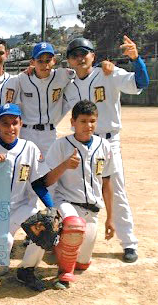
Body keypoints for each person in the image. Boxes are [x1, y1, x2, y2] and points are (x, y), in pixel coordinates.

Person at [65, 36, 148, 263]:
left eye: (84, 53)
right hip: (81, 143)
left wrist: (136, 59)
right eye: (74, 55)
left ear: (94, 55)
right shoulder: (69, 87)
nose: (80, 58)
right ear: (69, 61)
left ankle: (129, 242)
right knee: (76, 192)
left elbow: (141, 83)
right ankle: (72, 239)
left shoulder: (108, 74)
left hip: (108, 142)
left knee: (116, 190)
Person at [0, 103, 52, 295]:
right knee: (4, 242)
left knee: (45, 227)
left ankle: (26, 270)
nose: (10, 128)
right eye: (5, 123)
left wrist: (52, 208)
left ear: (21, 123)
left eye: (14, 123)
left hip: (22, 206)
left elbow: (38, 183)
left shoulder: (30, 147)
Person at [42, 100, 116, 288]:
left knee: (82, 263)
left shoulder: (104, 146)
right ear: (73, 122)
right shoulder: (61, 145)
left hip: (91, 209)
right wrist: (64, 165)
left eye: (92, 121)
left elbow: (107, 184)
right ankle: (64, 273)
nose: (88, 126)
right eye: (83, 121)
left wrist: (110, 218)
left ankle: (58, 245)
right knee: (74, 228)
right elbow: (46, 181)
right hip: (66, 202)